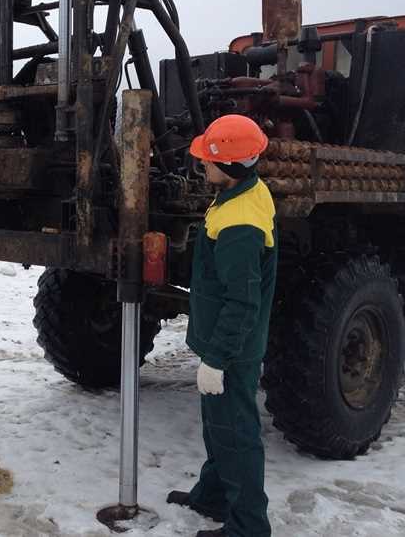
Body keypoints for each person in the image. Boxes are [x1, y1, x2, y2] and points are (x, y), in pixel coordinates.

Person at [167, 114, 277, 537]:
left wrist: (217, 359)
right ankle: (211, 497)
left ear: (227, 167)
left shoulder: (240, 225)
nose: (201, 165)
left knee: (236, 434)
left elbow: (242, 301)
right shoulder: (240, 193)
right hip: (223, 345)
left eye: (207, 160)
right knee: (219, 427)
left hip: (231, 350)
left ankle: (248, 526)